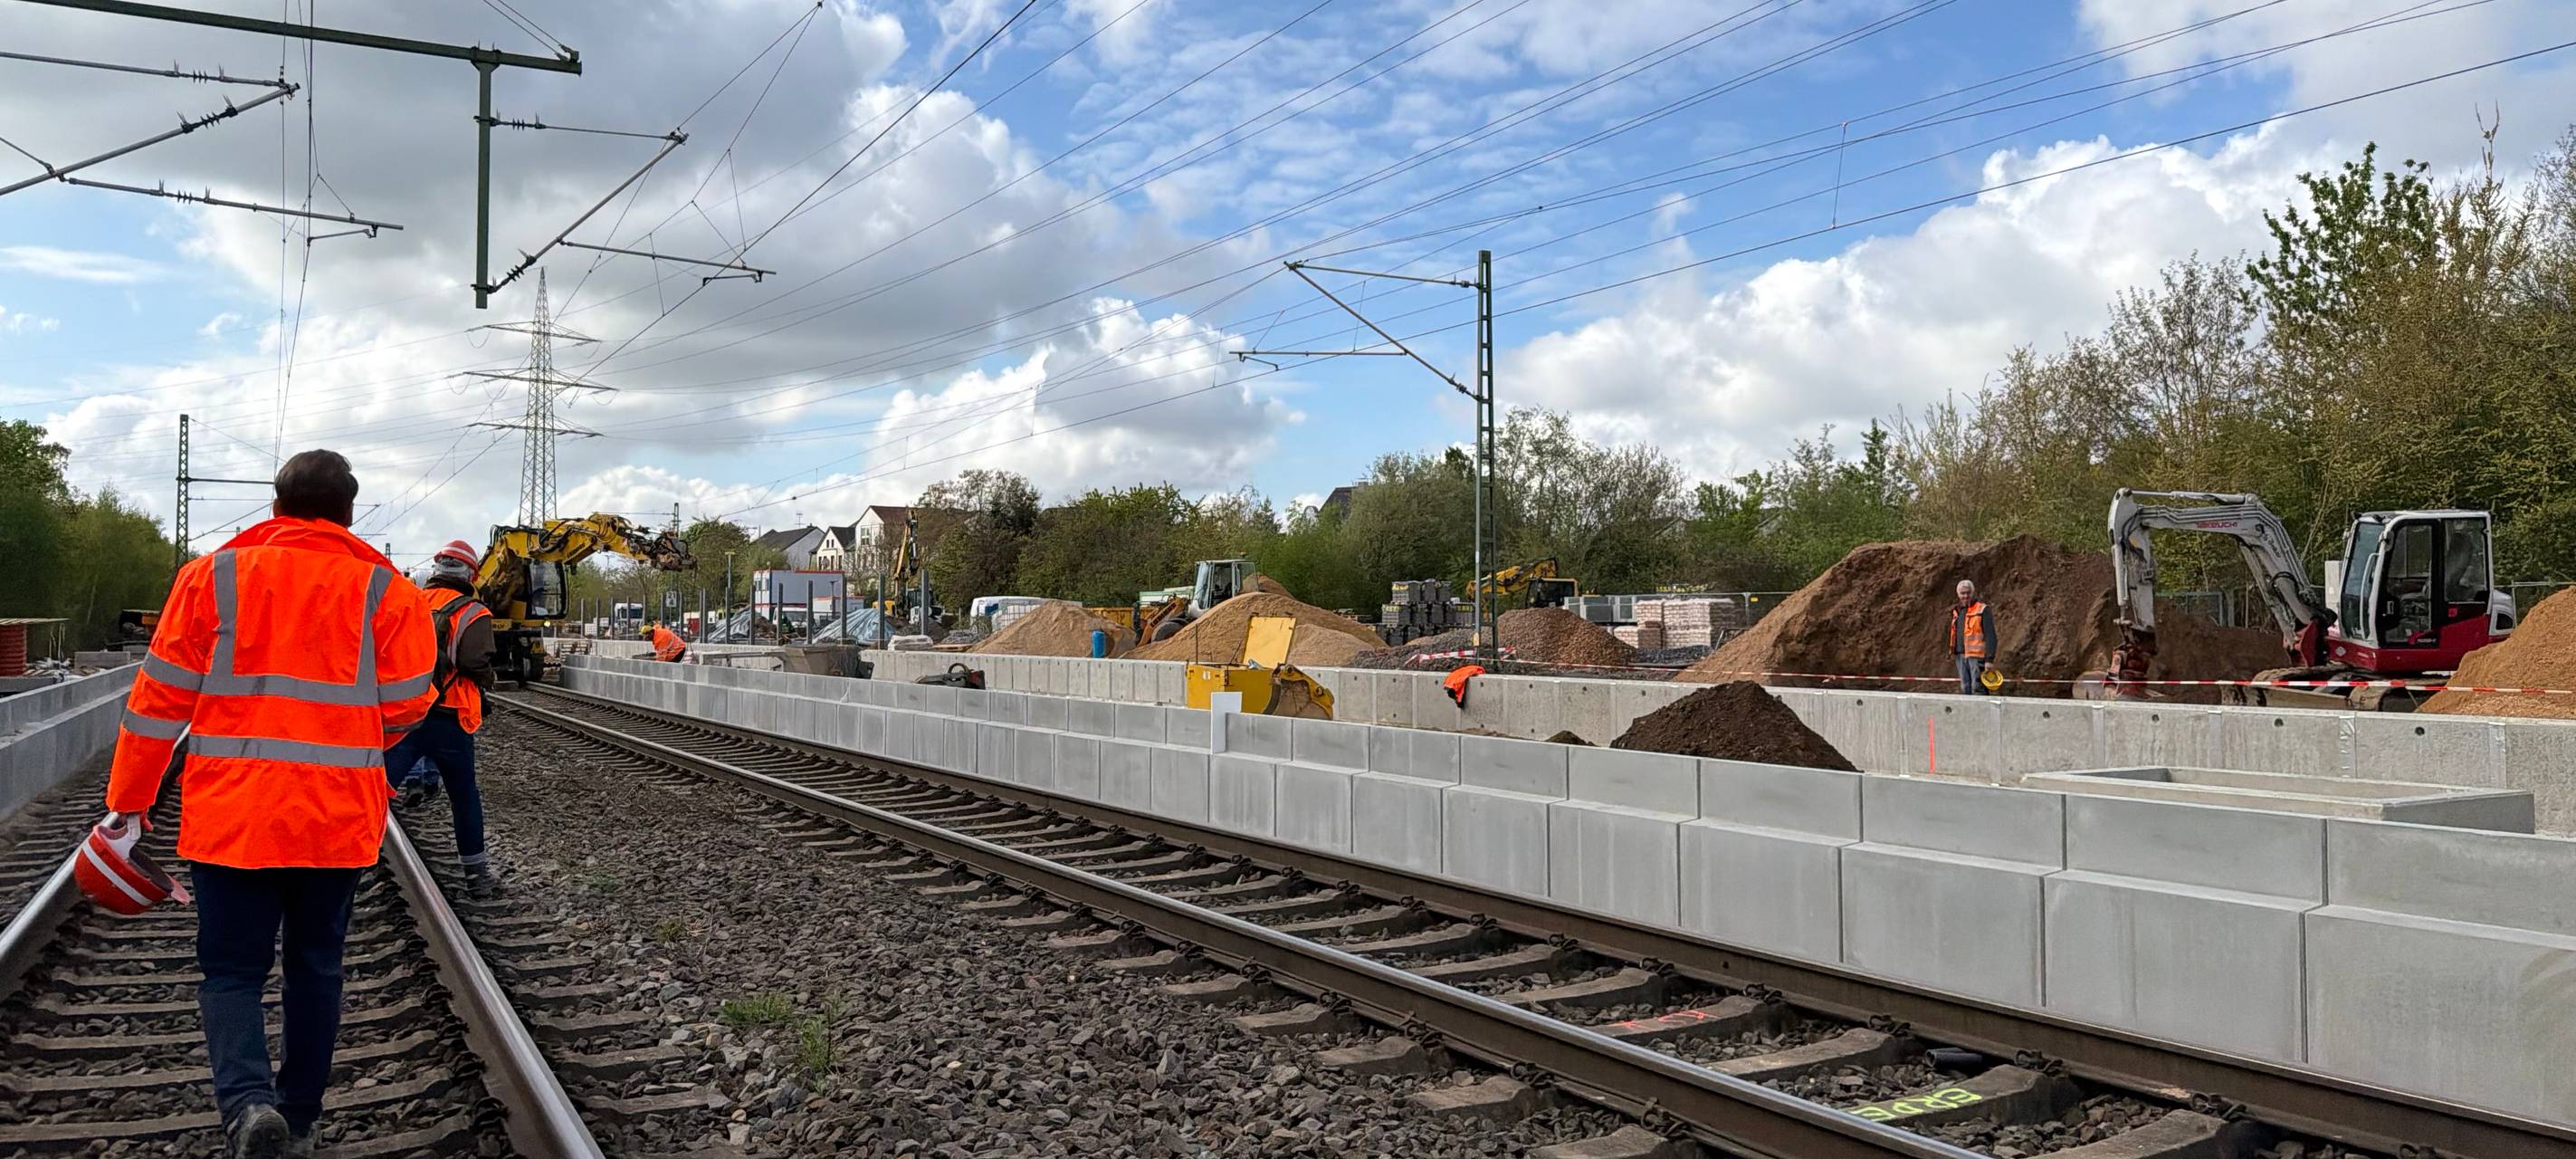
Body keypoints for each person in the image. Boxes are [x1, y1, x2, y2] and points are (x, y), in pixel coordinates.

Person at [105, 449, 436, 1159]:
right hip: (335, 819)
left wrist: (130, 801)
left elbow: (157, 703)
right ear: (348, 513)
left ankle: (248, 1105)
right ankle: (302, 1118)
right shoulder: (390, 593)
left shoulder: (212, 577)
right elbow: (411, 704)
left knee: (231, 971)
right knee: (317, 965)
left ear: (277, 506)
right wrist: (351, 733)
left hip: (234, 817)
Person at [386, 540, 498, 894]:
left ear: (437, 569)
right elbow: (475, 662)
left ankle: (345, 863)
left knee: (376, 793)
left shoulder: (411, 602)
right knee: (463, 795)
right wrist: (488, 679)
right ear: (471, 575)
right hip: (450, 717)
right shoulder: (474, 613)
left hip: (406, 715)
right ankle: (476, 875)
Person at [1949, 579, 1997, 694]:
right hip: (1961, 656)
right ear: (1958, 594)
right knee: (1965, 688)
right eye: (1963, 593)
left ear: (1973, 593)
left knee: (1978, 688)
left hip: (1977, 657)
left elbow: (1991, 636)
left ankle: (1981, 707)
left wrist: (1989, 659)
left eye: (1968, 593)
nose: (1965, 596)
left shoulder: (1982, 610)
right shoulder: (1957, 611)